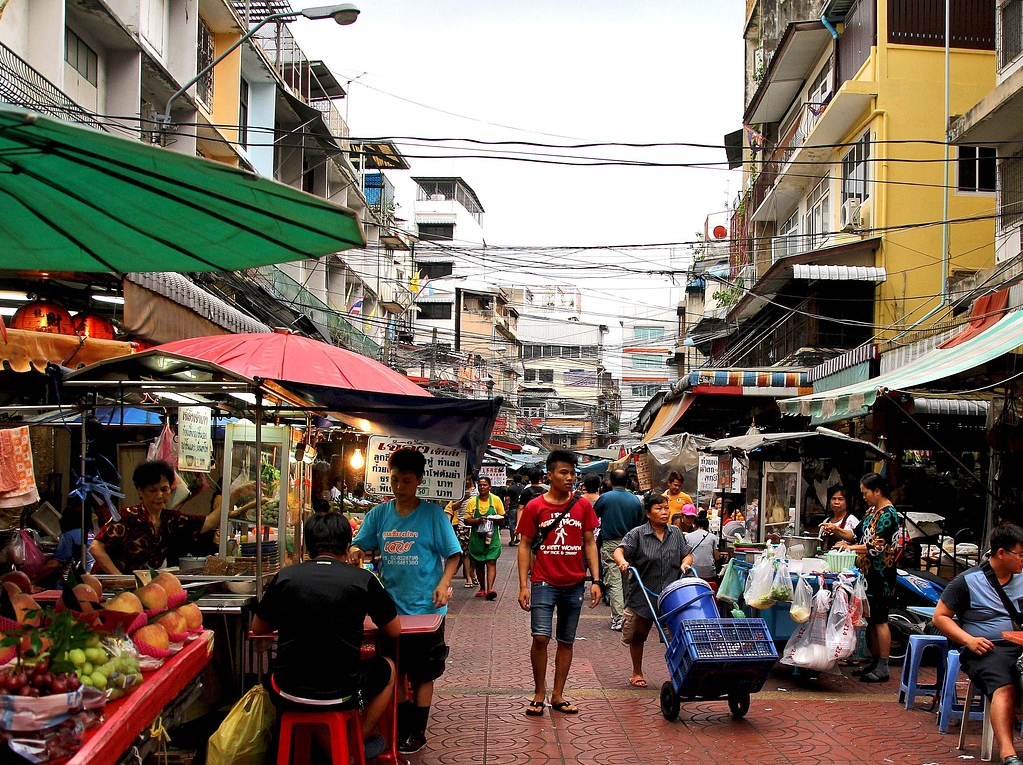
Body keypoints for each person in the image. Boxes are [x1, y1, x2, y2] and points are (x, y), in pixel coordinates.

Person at [251, 512, 400, 761]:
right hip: (341, 690)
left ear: (308, 546)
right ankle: (355, 741)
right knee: (389, 668)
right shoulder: (363, 579)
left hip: (286, 690)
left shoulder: (286, 576)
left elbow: (258, 627)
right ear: (346, 545)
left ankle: (329, 746)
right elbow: (393, 629)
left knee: (306, 684)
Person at [349, 448, 462, 754]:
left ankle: (418, 731)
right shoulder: (379, 515)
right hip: (391, 610)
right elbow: (360, 544)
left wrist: (443, 583)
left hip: (427, 610)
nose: (399, 487)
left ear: (419, 481)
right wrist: (357, 551)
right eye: (394, 480)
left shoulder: (434, 516)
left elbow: (454, 554)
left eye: (406, 481)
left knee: (424, 673)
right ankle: (401, 726)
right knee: (395, 670)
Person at [516, 450, 601, 717]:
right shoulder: (534, 506)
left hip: (574, 582)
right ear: (549, 475)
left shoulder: (583, 506)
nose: (569, 478)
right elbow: (525, 545)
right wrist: (523, 585)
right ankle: (539, 692)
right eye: (564, 472)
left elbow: (590, 542)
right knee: (540, 637)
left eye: (573, 473)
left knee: (566, 640)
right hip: (543, 581)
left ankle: (557, 694)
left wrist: (596, 580)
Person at [932, 523, 1023, 765]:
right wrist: (969, 640)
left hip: (1018, 644)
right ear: (1001, 553)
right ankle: (1008, 753)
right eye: (1021, 555)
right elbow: (940, 617)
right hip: (985, 648)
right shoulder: (967, 581)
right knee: (1005, 683)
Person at [613, 492, 694, 688]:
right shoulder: (637, 534)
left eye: (666, 508)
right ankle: (637, 672)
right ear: (648, 513)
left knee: (676, 635)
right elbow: (619, 550)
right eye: (659, 509)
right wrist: (623, 562)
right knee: (639, 634)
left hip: (670, 594)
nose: (664, 512)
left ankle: (681, 671)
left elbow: (687, 554)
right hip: (643, 592)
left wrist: (685, 564)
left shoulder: (675, 533)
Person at [90, 460, 222, 574]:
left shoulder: (170, 519)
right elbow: (95, 547)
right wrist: (119, 578)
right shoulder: (126, 518)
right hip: (110, 590)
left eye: (164, 489)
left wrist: (234, 495)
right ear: (140, 491)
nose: (159, 495)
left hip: (139, 589)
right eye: (153, 490)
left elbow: (209, 522)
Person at [831, 472, 899, 683]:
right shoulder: (871, 511)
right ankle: (875, 661)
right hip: (866, 576)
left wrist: (850, 547)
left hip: (881, 576)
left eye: (866, 493)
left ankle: (884, 666)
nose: (864, 497)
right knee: (871, 620)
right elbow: (856, 535)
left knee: (880, 620)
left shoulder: (888, 515)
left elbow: (876, 547)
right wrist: (836, 530)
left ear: (877, 491)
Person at [593, 469, 644, 632]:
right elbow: (639, 522)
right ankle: (627, 615)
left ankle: (619, 619)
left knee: (614, 580)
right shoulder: (635, 500)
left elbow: (595, 517)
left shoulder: (605, 498)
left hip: (611, 543)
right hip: (630, 544)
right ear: (627, 481)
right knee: (626, 580)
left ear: (611, 481)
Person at [464, 476, 505, 600]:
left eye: (485, 485)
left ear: (490, 487)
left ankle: (490, 588)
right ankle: (482, 588)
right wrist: (477, 520)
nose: (482, 487)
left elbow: (502, 516)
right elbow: (466, 519)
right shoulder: (472, 502)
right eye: (480, 485)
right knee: (479, 563)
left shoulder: (496, 500)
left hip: (492, 538)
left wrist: (494, 518)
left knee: (491, 561)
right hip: (477, 538)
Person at [445, 476, 477, 589]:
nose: (467, 480)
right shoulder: (458, 491)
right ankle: (468, 577)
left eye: (468, 477)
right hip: (462, 526)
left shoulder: (477, 491)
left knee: (474, 554)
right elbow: (451, 507)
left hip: (476, 526)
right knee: (465, 553)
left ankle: (472, 572)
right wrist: (463, 499)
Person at [817, 485, 860, 552]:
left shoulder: (852, 521)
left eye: (840, 499)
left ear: (847, 502)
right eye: (833, 499)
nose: (836, 502)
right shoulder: (826, 522)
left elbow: (859, 542)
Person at [684, 516, 721, 581]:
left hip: (691, 572)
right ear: (707, 527)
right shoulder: (712, 537)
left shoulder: (687, 537)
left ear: (694, 525)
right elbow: (717, 557)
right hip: (708, 573)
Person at [505, 473, 524, 546]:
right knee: (521, 524)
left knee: (512, 524)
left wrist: (506, 508)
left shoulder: (511, 488)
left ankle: (512, 540)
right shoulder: (524, 487)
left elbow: (507, 499)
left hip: (513, 508)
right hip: (522, 508)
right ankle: (519, 538)